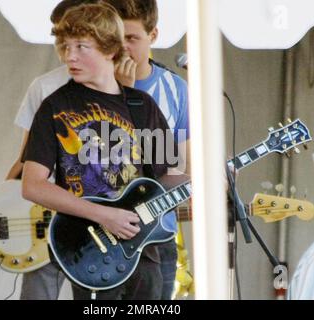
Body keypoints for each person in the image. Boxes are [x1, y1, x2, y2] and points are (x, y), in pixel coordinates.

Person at [21, 2, 188, 300]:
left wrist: (211, 178)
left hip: (143, 252)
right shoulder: (54, 108)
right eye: (65, 46)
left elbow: (165, 179)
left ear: (111, 49)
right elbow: (32, 185)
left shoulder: (143, 105)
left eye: (81, 47)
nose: (69, 56)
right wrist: (103, 215)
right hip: (90, 252)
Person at [0, 0, 101, 300]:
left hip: (98, 229)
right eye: (61, 39)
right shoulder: (44, 87)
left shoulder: (123, 90)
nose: (69, 50)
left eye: (78, 39)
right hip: (44, 219)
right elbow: (24, 159)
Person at [104, 0, 190, 300]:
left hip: (157, 235)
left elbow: (179, 168)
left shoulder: (175, 89)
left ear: (153, 36)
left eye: (132, 38)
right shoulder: (90, 86)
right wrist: (122, 94)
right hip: (101, 236)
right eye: (117, 38)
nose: (124, 48)